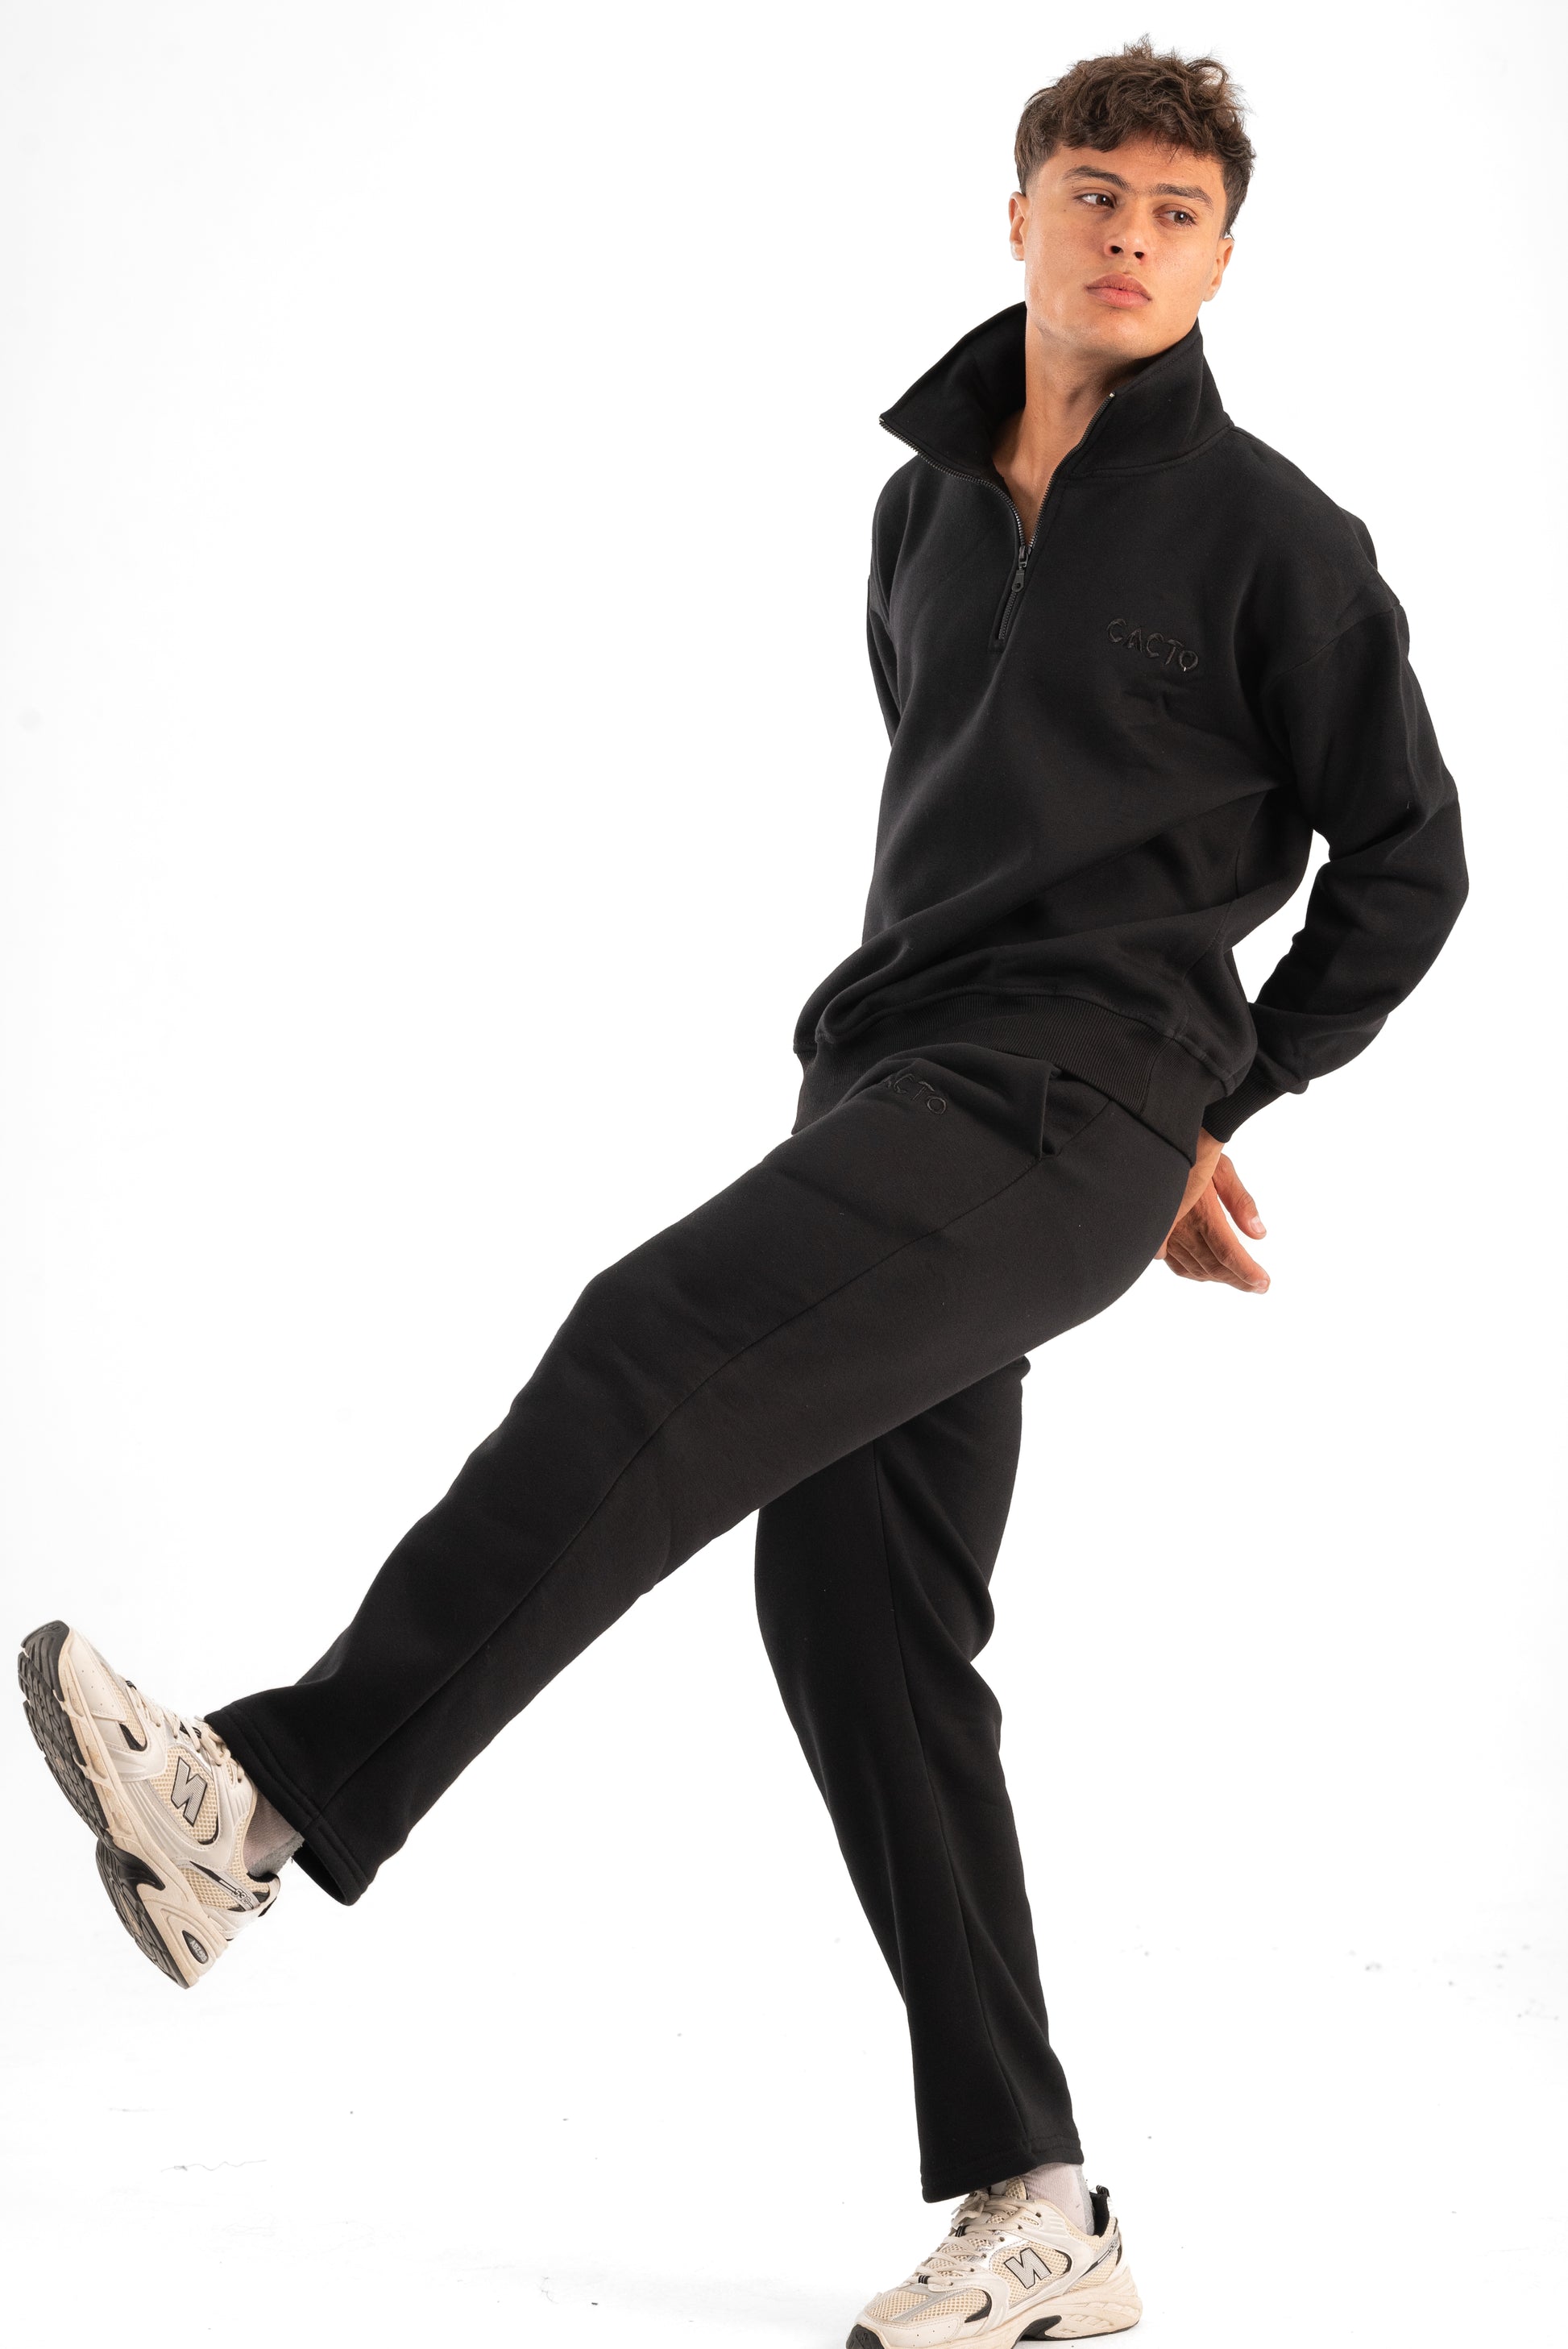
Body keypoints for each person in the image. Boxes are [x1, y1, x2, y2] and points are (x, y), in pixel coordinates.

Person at [18, 39, 1467, 2348]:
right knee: (863, 1624)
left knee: (653, 1336)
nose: (1128, 236)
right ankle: (1045, 2212)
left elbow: (1409, 860)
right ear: (1017, 215)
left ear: (1222, 257)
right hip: (892, 1086)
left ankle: (262, 1804)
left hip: (1071, 1105)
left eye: (1177, 213)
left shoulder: (1275, 536)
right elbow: (955, 821)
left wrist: (1225, 1088)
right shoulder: (920, 514)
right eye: (1093, 192)